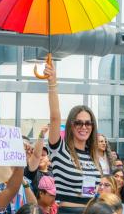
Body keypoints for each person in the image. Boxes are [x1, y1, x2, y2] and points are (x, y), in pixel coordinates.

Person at [44, 62, 101, 213]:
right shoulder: (60, 149)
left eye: (88, 123)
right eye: (79, 123)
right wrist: (52, 84)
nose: (84, 127)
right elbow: (55, 117)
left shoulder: (93, 155)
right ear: (71, 125)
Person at [24, 125, 53, 195]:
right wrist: (41, 135)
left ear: (48, 159)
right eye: (39, 155)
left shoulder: (54, 172)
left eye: (43, 155)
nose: (40, 157)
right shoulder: (31, 172)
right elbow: (36, 155)